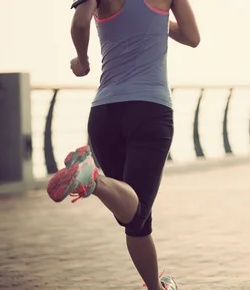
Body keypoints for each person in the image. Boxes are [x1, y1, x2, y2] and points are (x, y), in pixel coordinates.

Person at [46, 0, 200, 289]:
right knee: (136, 209)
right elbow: (193, 38)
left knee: (135, 220)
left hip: (105, 114)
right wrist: (157, 22)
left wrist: (82, 60)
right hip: (151, 111)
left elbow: (80, 22)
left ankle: (157, 287)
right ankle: (93, 179)